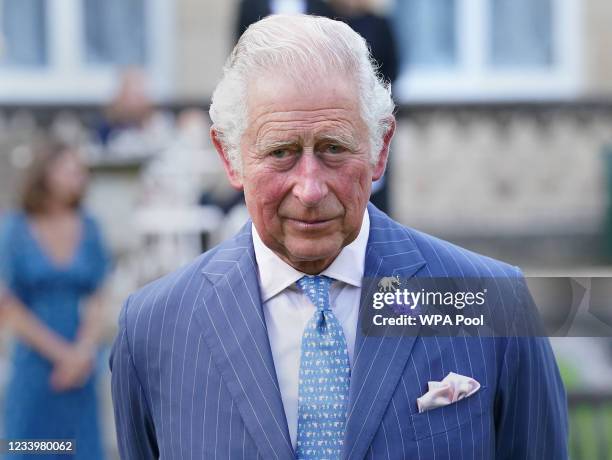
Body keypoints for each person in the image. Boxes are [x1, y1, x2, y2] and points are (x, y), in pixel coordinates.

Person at [110, 14, 568, 459]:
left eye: (333, 148)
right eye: (281, 152)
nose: (310, 189)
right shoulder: (154, 329)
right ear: (230, 158)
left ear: (380, 148)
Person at [0, 140, 110, 459]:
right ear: (44, 175)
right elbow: (8, 305)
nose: (78, 177)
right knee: (28, 446)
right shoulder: (14, 229)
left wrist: (82, 351)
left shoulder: (90, 228)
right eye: (69, 169)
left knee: (81, 447)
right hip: (35, 361)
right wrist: (61, 355)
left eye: (81, 171)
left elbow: (97, 295)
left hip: (82, 363)